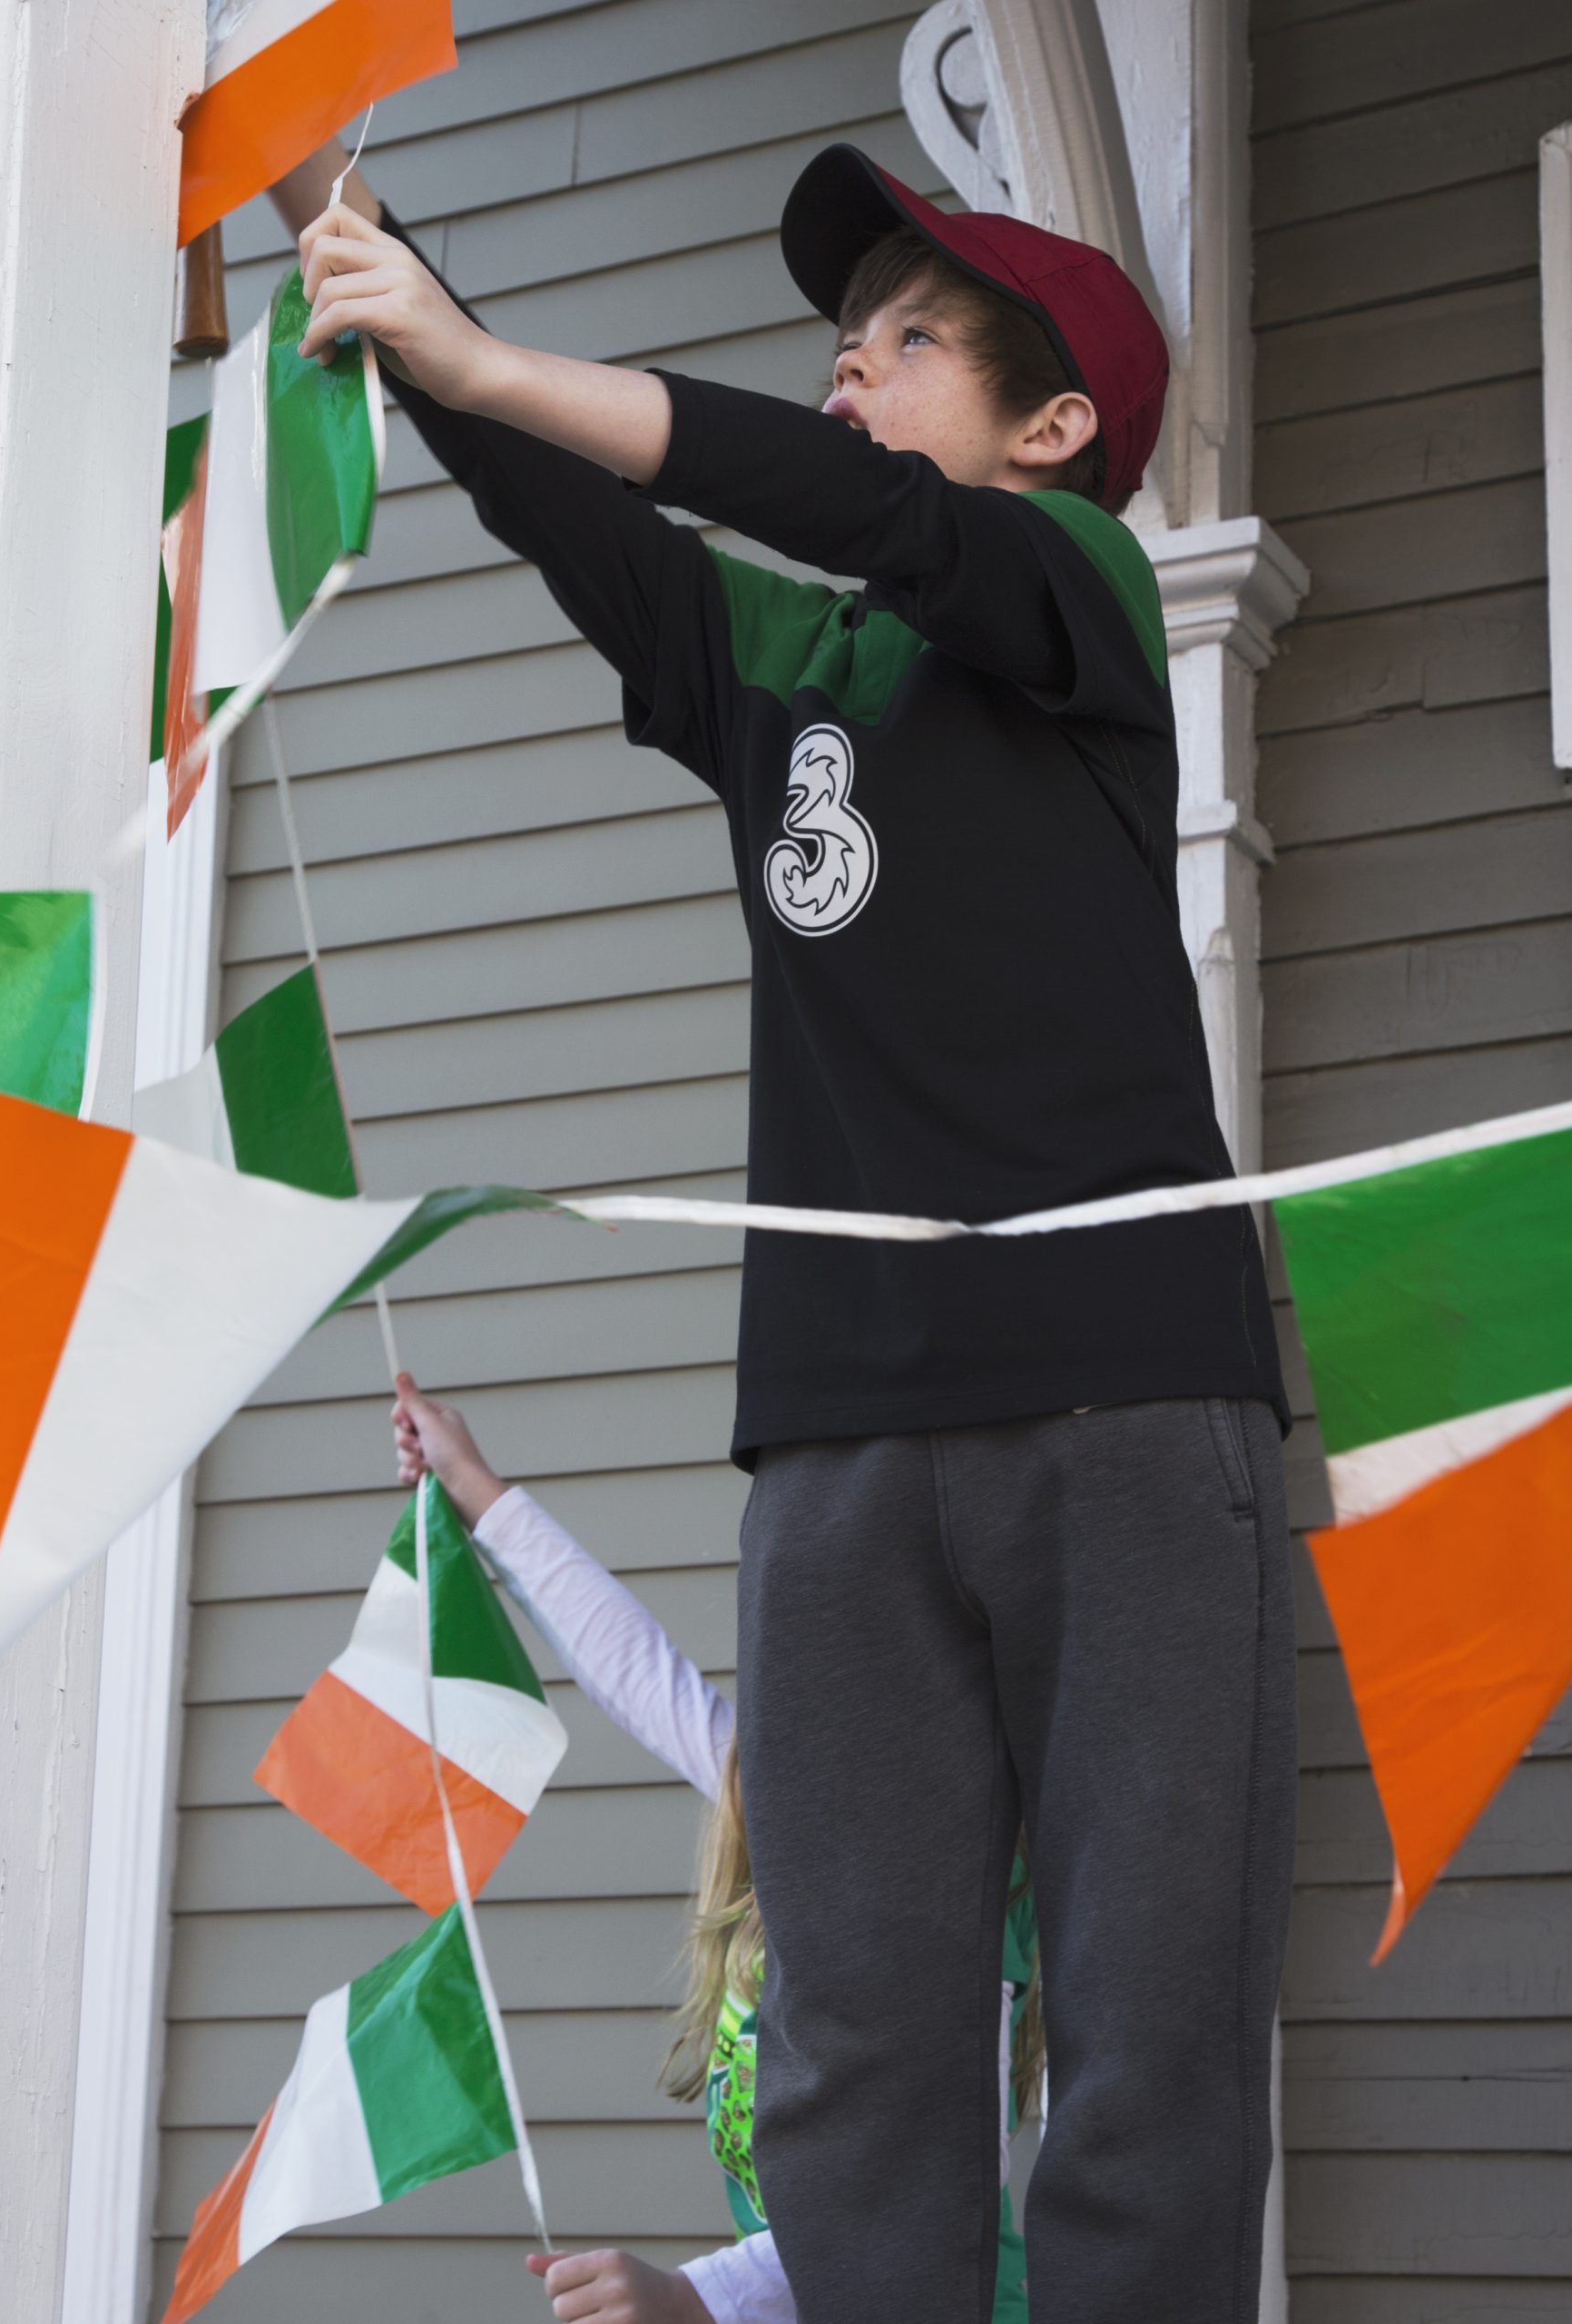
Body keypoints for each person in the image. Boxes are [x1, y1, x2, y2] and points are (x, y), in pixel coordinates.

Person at [269, 137, 1294, 2324]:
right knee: (852, 2042)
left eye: (912, 332)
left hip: (1128, 1400)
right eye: (853, 328)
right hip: (838, 1428)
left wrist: (485, 349)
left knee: (1146, 2025)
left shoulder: (1077, 595)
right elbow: (577, 511)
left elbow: (879, 520)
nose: (854, 350)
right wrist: (357, 254)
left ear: (1050, 428)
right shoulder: (777, 667)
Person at [388, 1374, 1041, 2324]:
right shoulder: (782, 1803)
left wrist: (697, 2296)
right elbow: (632, 1666)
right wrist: (473, 1487)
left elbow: (919, 2192)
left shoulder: (975, 1894)